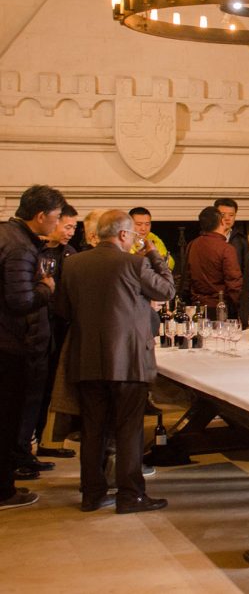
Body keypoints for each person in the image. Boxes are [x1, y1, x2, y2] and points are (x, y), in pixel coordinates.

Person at [57, 209, 174, 513]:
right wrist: (153, 254)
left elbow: (63, 311)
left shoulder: (72, 264)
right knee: (128, 430)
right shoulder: (135, 263)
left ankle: (92, 494)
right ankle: (130, 495)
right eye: (134, 235)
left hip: (86, 360)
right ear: (124, 235)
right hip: (129, 361)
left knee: (93, 429)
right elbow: (167, 289)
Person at [0, 185, 64, 509]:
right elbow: (20, 300)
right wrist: (46, 288)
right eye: (54, 218)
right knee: (7, 419)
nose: (56, 225)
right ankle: (3, 490)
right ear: (40, 216)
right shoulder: (21, 247)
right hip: (10, 345)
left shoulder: (8, 235)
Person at [31, 205, 78, 459]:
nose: (71, 232)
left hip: (60, 330)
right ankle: (26, 449)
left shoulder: (70, 254)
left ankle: (45, 444)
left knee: (51, 391)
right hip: (37, 329)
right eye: (68, 226)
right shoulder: (34, 252)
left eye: (74, 227)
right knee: (33, 392)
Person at [187, 206, 242, 316]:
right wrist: (240, 307)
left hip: (196, 306)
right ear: (221, 221)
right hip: (219, 308)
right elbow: (234, 284)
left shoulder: (192, 244)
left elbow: (187, 278)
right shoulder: (226, 249)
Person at [215, 198, 249, 272]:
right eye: (222, 215)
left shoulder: (241, 240)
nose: (227, 218)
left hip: (235, 282)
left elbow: (246, 269)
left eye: (231, 215)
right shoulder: (207, 239)